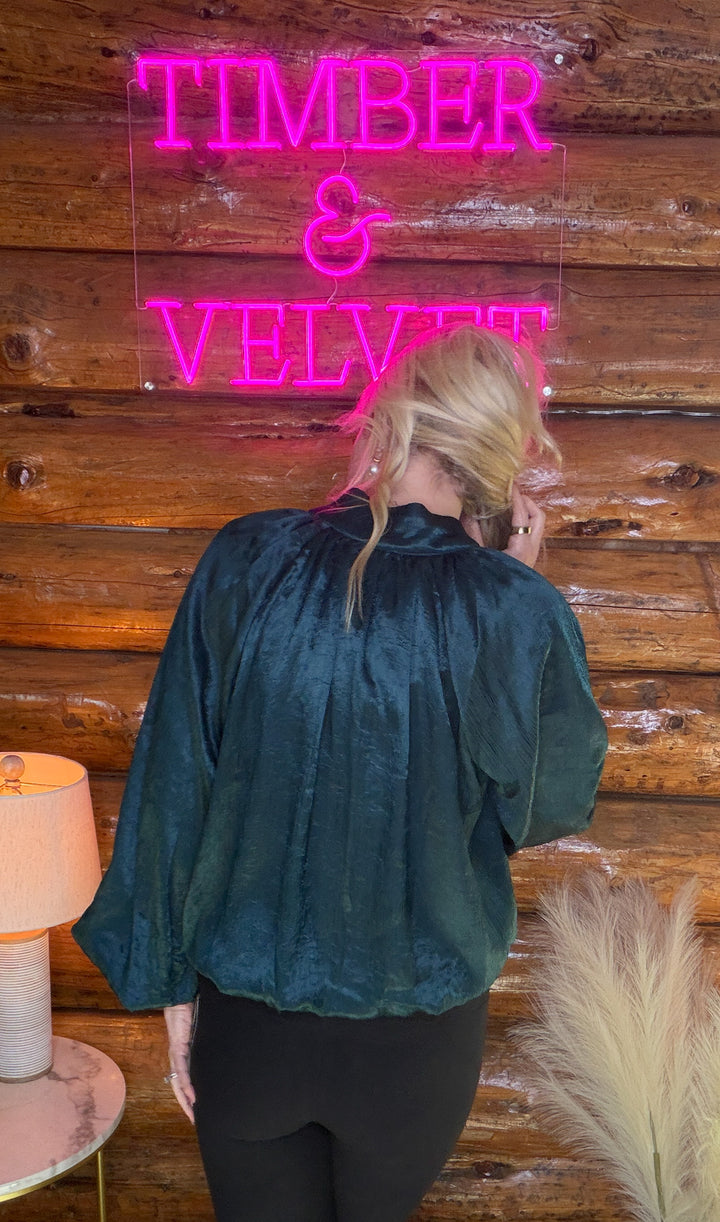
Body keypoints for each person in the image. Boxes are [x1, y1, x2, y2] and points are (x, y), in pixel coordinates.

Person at [73, 323, 608, 1222]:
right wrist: (517, 592)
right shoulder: (512, 604)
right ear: (494, 459)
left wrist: (170, 988)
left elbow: (174, 786)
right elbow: (547, 805)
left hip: (250, 1027)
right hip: (419, 1045)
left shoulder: (247, 559)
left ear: (386, 423)